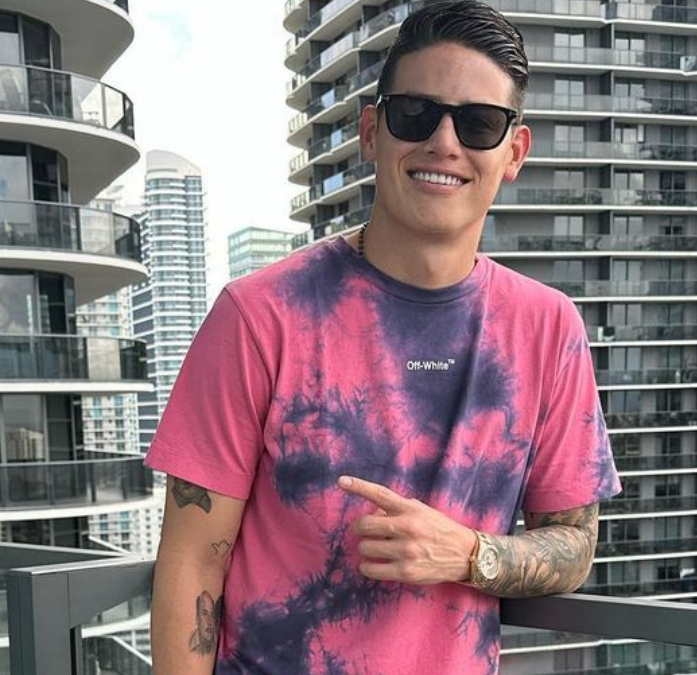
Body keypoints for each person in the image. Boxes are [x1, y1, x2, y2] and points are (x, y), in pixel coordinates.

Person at [146, 2, 621, 673]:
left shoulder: (548, 328)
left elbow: (574, 542)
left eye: (479, 123)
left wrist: (469, 553)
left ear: (514, 152)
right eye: (415, 114)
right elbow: (192, 561)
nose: (444, 143)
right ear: (372, 132)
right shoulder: (258, 316)